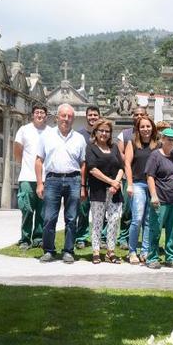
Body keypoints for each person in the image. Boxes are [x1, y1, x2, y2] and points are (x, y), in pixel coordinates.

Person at [35, 103, 87, 264]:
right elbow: (38, 160)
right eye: (63, 116)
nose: (66, 119)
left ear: (73, 119)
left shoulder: (79, 138)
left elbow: (83, 164)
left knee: (71, 218)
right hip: (52, 180)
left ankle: (68, 251)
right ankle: (49, 250)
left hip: (74, 179)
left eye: (70, 116)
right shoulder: (46, 136)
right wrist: (39, 183)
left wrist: (83, 187)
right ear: (57, 117)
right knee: (49, 218)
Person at [85, 118, 125, 264]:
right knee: (97, 221)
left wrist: (116, 183)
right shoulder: (91, 148)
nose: (104, 133)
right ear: (95, 132)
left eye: (107, 131)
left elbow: (121, 167)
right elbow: (92, 169)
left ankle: (110, 251)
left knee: (114, 221)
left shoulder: (114, 147)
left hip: (115, 191)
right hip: (98, 191)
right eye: (101, 130)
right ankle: (96, 251)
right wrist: (111, 182)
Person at [145, 128, 173, 269]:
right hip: (160, 199)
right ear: (162, 139)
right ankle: (152, 257)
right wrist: (153, 195)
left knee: (172, 230)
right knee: (155, 229)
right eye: (168, 139)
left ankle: (171, 257)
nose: (171, 142)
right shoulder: (155, 155)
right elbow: (150, 176)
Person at [112, 106, 148, 250]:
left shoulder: (150, 134)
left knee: (146, 213)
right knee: (128, 210)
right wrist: (130, 161)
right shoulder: (125, 134)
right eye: (136, 114)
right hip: (129, 177)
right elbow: (120, 153)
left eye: (142, 114)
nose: (139, 116)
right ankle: (123, 238)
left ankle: (146, 242)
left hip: (145, 178)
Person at [13, 103, 48, 249]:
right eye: (37, 112)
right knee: (27, 209)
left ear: (46, 116)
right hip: (27, 176)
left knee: (41, 211)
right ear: (32, 115)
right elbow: (17, 150)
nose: (39, 115)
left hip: (45, 177)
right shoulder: (24, 130)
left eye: (42, 113)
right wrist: (25, 165)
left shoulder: (50, 132)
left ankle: (38, 238)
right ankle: (25, 239)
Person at [124, 116, 158, 264]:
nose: (145, 129)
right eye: (142, 127)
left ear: (153, 128)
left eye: (148, 126)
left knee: (149, 221)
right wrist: (129, 184)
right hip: (137, 184)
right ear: (138, 129)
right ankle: (132, 251)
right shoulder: (132, 143)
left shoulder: (157, 145)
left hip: (153, 186)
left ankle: (145, 251)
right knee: (137, 218)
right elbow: (127, 164)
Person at [74, 105, 101, 249]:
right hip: (84, 176)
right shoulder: (79, 135)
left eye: (95, 115)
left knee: (101, 209)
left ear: (99, 116)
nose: (93, 117)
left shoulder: (102, 134)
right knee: (83, 208)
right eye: (90, 115)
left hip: (99, 178)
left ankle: (101, 237)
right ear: (86, 116)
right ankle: (81, 237)